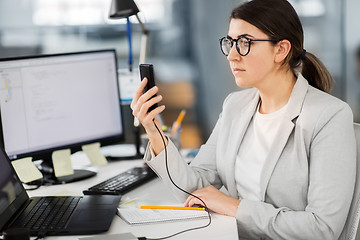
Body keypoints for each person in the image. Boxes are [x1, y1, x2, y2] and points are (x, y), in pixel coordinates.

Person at [130, 0, 356, 239]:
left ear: (281, 50)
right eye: (230, 43)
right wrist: (154, 131)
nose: (232, 56)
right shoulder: (235, 106)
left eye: (245, 43)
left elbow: (322, 229)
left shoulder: (330, 116)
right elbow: (194, 189)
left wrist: (233, 206)